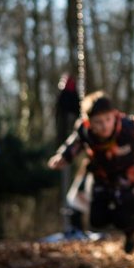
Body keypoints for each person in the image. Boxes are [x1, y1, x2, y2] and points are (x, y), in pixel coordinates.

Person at [47, 91, 134, 254]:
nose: (105, 126)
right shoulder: (85, 131)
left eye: (108, 119)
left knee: (123, 213)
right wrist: (63, 157)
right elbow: (74, 143)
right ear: (89, 123)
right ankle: (127, 221)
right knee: (97, 219)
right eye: (98, 122)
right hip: (101, 178)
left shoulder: (130, 127)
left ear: (115, 115)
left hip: (129, 177)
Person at [53, 74, 87, 239]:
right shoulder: (63, 103)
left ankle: (77, 225)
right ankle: (71, 224)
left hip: (79, 154)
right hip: (68, 146)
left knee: (78, 191)